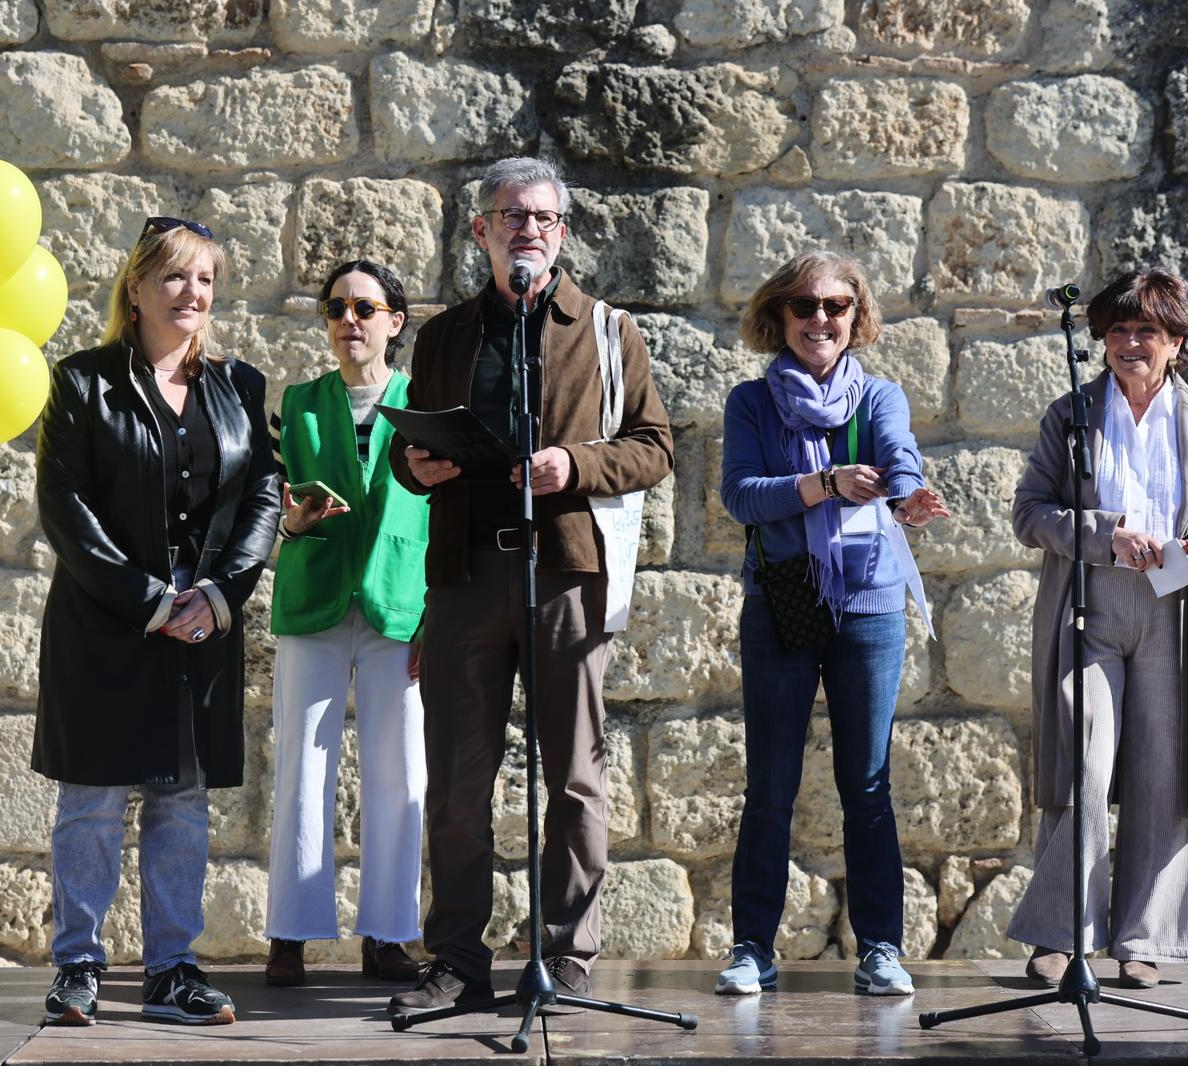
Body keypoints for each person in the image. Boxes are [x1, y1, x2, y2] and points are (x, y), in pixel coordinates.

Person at [385, 156, 674, 1015]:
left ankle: (567, 955)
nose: (528, 231)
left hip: (566, 575)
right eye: (511, 216)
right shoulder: (440, 338)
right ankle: (459, 962)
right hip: (467, 577)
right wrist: (417, 465)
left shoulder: (608, 330)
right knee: (457, 779)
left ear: (561, 231)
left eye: (543, 218)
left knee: (576, 776)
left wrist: (575, 465)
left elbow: (655, 446)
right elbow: (409, 459)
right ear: (481, 231)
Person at [32, 216, 279, 1026]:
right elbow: (64, 509)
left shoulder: (238, 386)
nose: (192, 293)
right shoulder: (80, 381)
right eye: (174, 277)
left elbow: (262, 498)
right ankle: (78, 967)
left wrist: (218, 595)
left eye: (205, 279)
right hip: (108, 621)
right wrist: (148, 600)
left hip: (204, 624)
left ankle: (173, 969)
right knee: (93, 801)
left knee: (183, 798)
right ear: (134, 290)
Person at [1007, 268, 1188, 989]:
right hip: (1091, 609)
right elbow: (1030, 513)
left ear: (1177, 341)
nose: (1129, 342)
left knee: (1166, 777)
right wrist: (1105, 536)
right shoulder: (1071, 414)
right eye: (1117, 328)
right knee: (1084, 763)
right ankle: (1063, 935)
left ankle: (1146, 939)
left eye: (1147, 329)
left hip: (1178, 614)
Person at [717, 251, 949, 998]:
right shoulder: (751, 404)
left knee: (869, 784)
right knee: (770, 787)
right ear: (779, 316)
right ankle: (753, 947)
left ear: (857, 316)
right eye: (807, 306)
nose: (823, 319)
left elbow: (898, 456)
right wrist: (824, 485)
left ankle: (880, 947)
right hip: (783, 600)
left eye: (838, 306)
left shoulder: (878, 394)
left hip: (870, 605)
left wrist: (909, 495)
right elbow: (744, 498)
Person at [261, 259, 428, 986]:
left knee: (401, 772)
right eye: (335, 309)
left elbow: (447, 515)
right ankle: (291, 934)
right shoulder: (295, 405)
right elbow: (269, 509)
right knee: (302, 764)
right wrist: (290, 525)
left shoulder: (425, 407)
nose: (348, 322)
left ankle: (389, 934)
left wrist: (441, 612)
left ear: (395, 319)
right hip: (315, 600)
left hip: (402, 605)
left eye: (365, 307)